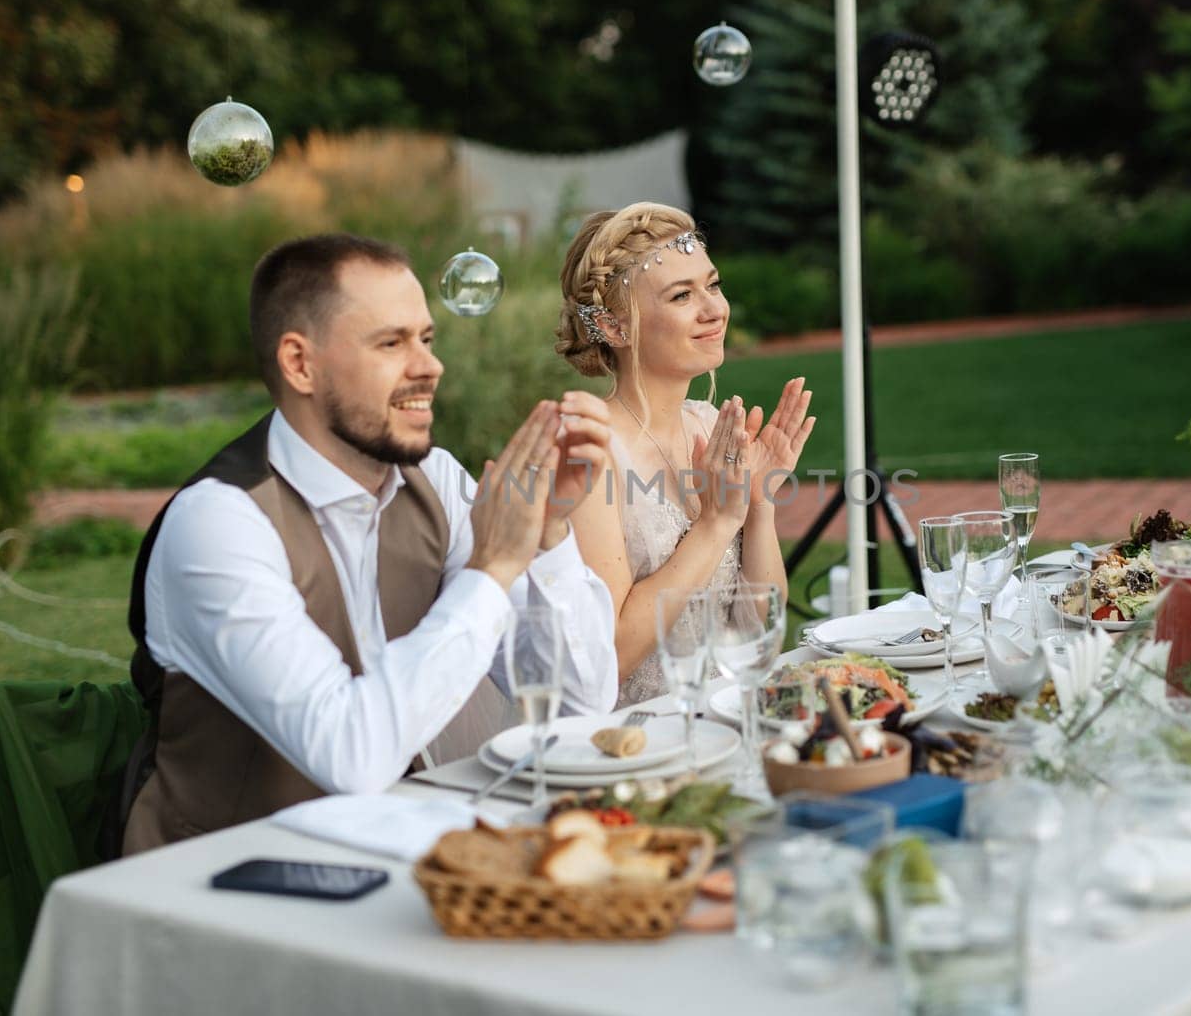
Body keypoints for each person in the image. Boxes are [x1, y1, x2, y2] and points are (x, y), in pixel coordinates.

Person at [119, 233, 618, 854]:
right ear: (300, 364)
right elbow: (352, 756)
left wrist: (549, 537)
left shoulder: (433, 479)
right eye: (391, 342)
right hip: (228, 882)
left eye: (427, 339)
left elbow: (580, 704)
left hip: (392, 854)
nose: (429, 366)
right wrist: (492, 570)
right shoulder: (219, 523)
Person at [555, 203, 814, 707]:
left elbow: (758, 633)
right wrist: (716, 523)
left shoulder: (708, 425)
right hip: (637, 744)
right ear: (613, 327)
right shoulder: (589, 450)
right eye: (682, 295)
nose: (714, 309)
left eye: (712, 286)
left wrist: (757, 505)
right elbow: (608, 660)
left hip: (726, 717)